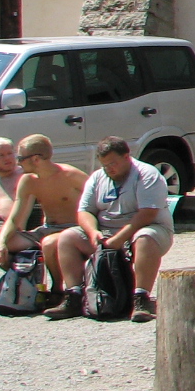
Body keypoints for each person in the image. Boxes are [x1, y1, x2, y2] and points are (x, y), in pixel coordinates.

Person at [45, 138, 172, 322]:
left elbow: (147, 214)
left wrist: (120, 238)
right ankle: (74, 296)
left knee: (145, 237)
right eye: (104, 165)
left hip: (146, 228)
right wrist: (93, 232)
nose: (109, 169)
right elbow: (85, 211)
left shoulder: (147, 174)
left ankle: (141, 300)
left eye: (113, 163)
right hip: (106, 232)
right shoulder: (97, 177)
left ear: (126, 156)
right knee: (67, 237)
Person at [0, 134, 88, 296]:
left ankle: (58, 290)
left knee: (49, 243)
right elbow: (14, 218)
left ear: (36, 159)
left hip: (72, 229)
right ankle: (26, 282)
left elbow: (97, 201)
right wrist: (2, 242)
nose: (18, 162)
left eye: (20, 158)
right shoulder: (28, 180)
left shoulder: (71, 175)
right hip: (46, 229)